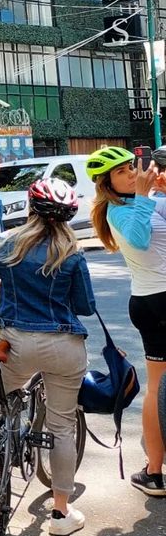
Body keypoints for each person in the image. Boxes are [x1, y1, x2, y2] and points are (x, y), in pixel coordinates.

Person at [0, 176, 95, 536]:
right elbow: (86, 307)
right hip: (62, 345)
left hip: (14, 343)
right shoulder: (72, 254)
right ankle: (60, 514)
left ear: (29, 208)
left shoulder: (5, 244)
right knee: (61, 426)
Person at [87, 145, 166, 496]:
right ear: (107, 184)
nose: (132, 174)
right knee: (158, 387)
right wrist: (146, 194)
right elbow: (138, 238)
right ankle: (154, 471)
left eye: (131, 167)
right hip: (154, 303)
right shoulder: (119, 211)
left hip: (156, 300)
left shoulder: (139, 201)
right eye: (122, 172)